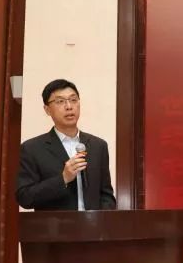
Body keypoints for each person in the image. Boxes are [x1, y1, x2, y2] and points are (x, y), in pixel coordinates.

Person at [16, 79, 116, 211]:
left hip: (93, 224)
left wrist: (101, 219)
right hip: (55, 224)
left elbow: (106, 195)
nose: (69, 106)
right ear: (47, 109)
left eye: (73, 100)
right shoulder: (32, 148)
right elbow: (25, 197)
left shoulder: (98, 146)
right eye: (60, 101)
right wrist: (63, 179)